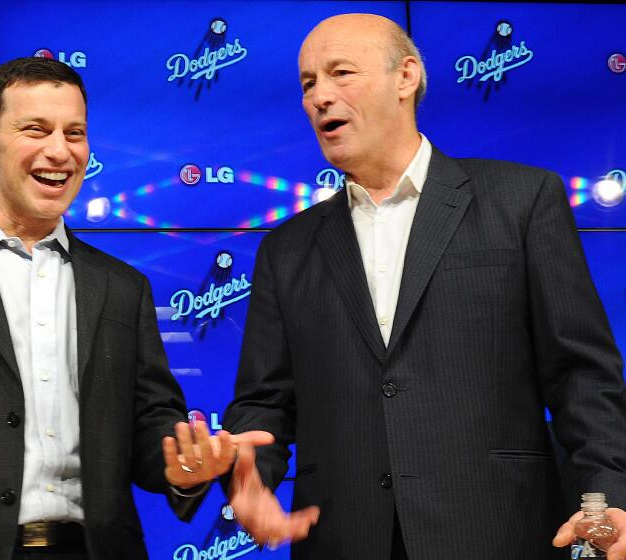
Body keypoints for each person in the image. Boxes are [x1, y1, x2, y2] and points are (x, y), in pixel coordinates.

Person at [222, 13, 626, 560]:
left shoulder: (522, 201)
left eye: (341, 73)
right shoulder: (286, 249)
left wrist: (610, 496)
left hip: (498, 531)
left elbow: (582, 375)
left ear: (406, 77)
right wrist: (251, 482)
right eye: (308, 83)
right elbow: (263, 404)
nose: (319, 96)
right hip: (343, 539)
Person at [0, 57, 265, 560]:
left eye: (75, 133)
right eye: (36, 130)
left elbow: (152, 430)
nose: (60, 151)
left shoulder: (124, 286)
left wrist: (183, 467)